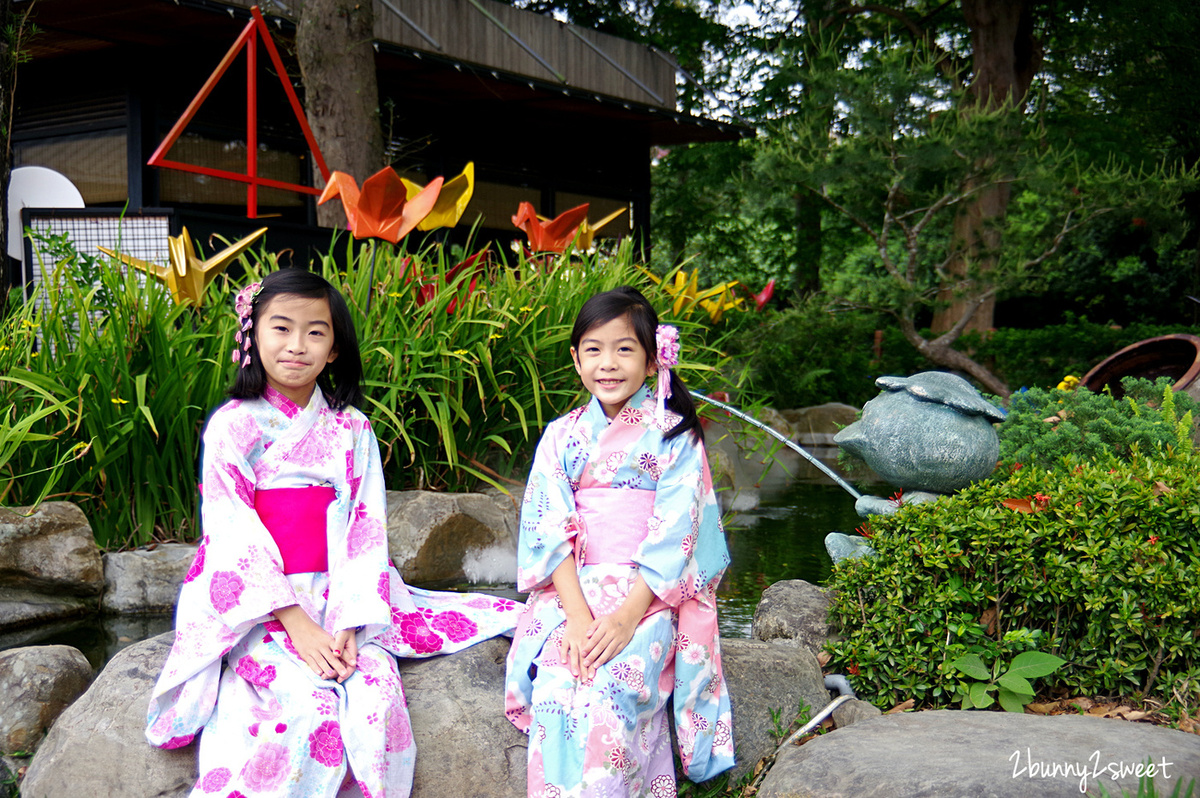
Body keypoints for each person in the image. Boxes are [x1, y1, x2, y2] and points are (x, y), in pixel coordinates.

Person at [146, 268, 520, 798]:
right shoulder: (232, 426)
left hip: (340, 597)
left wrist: (347, 621)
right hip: (265, 608)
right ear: (251, 336)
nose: (297, 346)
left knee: (377, 702)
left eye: (315, 332)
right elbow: (233, 533)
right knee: (312, 711)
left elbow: (364, 529)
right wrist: (297, 624)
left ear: (335, 347)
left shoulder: (352, 428)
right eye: (281, 328)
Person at [503, 286, 735, 798]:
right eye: (593, 349)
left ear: (653, 360)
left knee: (616, 682)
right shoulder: (562, 436)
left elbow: (677, 534)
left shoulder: (676, 436)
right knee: (558, 686)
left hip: (647, 595)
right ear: (576, 359)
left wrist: (628, 617)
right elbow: (548, 529)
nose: (608, 363)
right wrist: (580, 617)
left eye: (624, 349)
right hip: (574, 593)